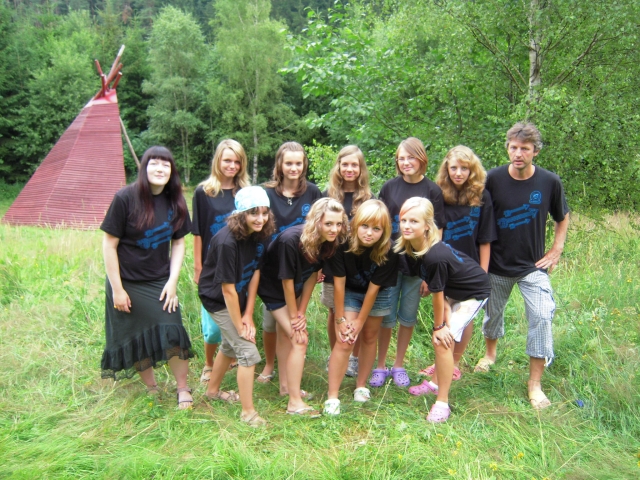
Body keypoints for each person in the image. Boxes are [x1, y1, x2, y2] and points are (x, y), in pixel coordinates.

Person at [475, 122, 569, 410]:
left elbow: (562, 216)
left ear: (535, 151)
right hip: (497, 264)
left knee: (541, 315)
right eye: (514, 147)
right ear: (507, 148)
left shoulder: (549, 182)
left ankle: (534, 384)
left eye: (525, 149)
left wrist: (556, 249)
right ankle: (490, 355)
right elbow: (477, 216)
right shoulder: (491, 178)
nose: (518, 154)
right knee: (492, 314)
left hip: (532, 266)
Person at [100, 146, 193, 409]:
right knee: (137, 335)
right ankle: (151, 387)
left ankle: (183, 387)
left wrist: (172, 282)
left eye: (166, 164)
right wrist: (118, 289)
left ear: (171, 170)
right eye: (154, 163)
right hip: (126, 281)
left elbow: (178, 243)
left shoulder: (175, 201)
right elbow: (109, 244)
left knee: (172, 329)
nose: (160, 169)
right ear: (144, 167)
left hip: (159, 281)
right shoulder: (125, 198)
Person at [395, 197, 491, 422]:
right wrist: (446, 307)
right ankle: (435, 383)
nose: (407, 226)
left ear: (427, 226)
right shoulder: (411, 247)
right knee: (445, 335)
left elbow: (437, 294)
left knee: (441, 340)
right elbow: (437, 286)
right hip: (452, 289)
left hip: (473, 292)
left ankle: (442, 403)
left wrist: (439, 326)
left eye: (414, 221)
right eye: (404, 220)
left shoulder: (434, 255)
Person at [413, 145, 496, 382]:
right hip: (443, 264)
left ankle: (455, 363)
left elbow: (485, 238)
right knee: (445, 315)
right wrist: (427, 275)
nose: (458, 173)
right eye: (454, 168)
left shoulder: (481, 196)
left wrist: (483, 271)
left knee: (463, 317)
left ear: (472, 170)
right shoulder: (439, 194)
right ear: (446, 169)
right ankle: (441, 361)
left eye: (464, 168)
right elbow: (433, 234)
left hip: (468, 268)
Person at [258, 198, 347, 416]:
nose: (334, 229)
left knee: (285, 334)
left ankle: (285, 387)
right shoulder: (291, 241)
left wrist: (301, 311)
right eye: (328, 224)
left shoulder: (328, 242)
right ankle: (294, 402)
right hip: (273, 289)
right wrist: (294, 316)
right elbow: (286, 282)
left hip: (295, 287)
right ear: (316, 221)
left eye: (338, 224)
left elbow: (312, 276)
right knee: (300, 339)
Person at [198, 186, 275, 427]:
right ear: (241, 214)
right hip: (217, 299)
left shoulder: (258, 234)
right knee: (248, 353)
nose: (260, 219)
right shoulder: (226, 242)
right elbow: (227, 290)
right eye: (253, 213)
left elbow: (255, 273)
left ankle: (212, 392)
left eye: (264, 213)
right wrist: (240, 327)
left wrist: (248, 314)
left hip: (237, 297)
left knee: (229, 346)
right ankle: (248, 413)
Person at [372, 137, 445, 389]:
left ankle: (399, 364)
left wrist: (430, 274)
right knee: (386, 316)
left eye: (411, 157)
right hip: (390, 263)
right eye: (401, 158)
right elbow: (380, 224)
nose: (406, 162)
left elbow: (437, 233)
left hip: (418, 267)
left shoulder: (433, 191)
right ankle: (381, 365)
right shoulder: (389, 188)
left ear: (421, 159)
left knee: (408, 316)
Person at [257, 142, 323, 386]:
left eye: (298, 163)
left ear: (304, 164)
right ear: (280, 165)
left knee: (289, 323)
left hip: (299, 268)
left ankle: (287, 378)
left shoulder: (313, 192)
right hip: (269, 267)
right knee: (270, 322)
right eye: (288, 163)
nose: (294, 168)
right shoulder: (265, 192)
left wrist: (318, 266)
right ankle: (269, 365)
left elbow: (319, 229)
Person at [324, 200, 397, 415]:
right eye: (365, 226)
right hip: (349, 290)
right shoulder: (341, 244)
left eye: (376, 229)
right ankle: (332, 396)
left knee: (369, 336)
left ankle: (361, 385)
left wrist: (360, 321)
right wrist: (341, 319)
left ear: (384, 231)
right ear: (356, 224)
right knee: (345, 338)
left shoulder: (390, 250)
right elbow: (338, 285)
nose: (369, 233)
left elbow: (373, 290)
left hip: (378, 294)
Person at [193, 139, 250, 383]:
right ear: (218, 161)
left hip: (239, 264)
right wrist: (198, 266)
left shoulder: (245, 193)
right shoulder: (204, 192)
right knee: (213, 324)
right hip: (212, 266)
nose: (232, 166)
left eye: (237, 161)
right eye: (227, 160)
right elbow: (198, 231)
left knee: (236, 311)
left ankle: (231, 355)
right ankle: (208, 363)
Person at [322, 145, 374, 377]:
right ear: (338, 166)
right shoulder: (328, 195)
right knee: (335, 310)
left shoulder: (369, 198)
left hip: (360, 265)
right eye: (345, 164)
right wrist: (320, 265)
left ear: (361, 169)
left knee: (358, 311)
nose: (349, 169)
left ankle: (354, 357)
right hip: (332, 261)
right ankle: (336, 354)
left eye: (354, 165)